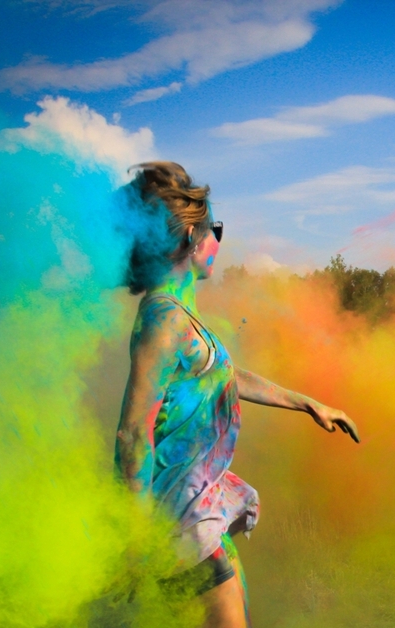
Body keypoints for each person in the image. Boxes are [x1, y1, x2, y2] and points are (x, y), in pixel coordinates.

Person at [114, 162, 360, 628]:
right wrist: (135, 535)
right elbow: (132, 433)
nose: (219, 242)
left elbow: (226, 377)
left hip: (197, 512)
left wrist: (308, 403)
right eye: (215, 230)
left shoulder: (180, 316)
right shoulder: (163, 319)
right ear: (190, 239)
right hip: (174, 520)